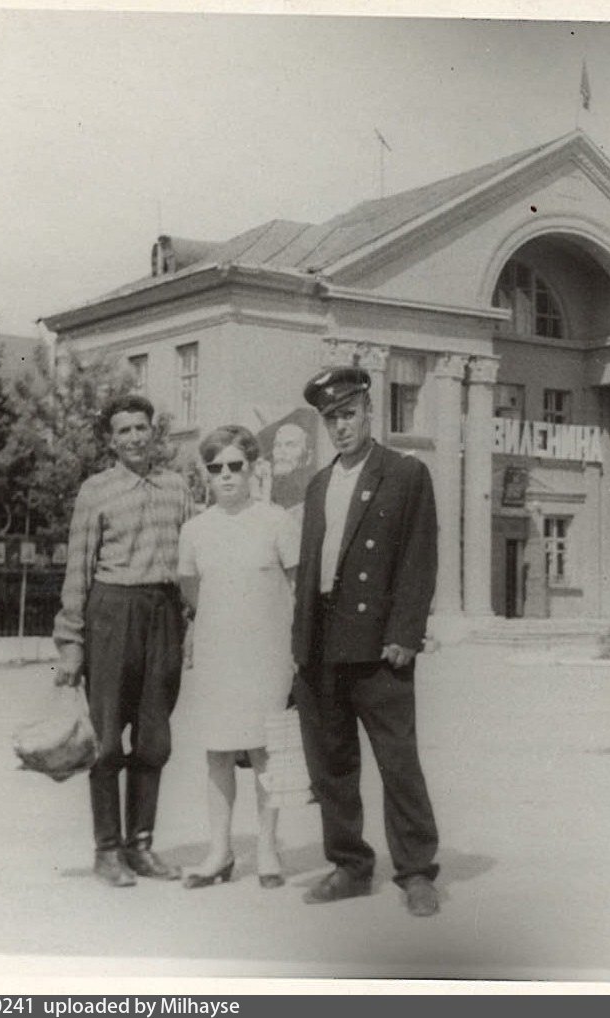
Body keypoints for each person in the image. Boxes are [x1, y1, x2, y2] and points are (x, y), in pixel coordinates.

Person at [290, 365, 442, 918]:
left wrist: (405, 634)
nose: (341, 427)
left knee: (398, 763)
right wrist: (299, 646)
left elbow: (418, 558)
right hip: (322, 641)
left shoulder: (404, 473)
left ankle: (417, 872)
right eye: (331, 419)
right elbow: (311, 569)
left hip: (379, 645)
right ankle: (350, 866)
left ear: (369, 411)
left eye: (348, 414)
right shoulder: (318, 484)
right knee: (330, 764)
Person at [52, 393, 193, 888]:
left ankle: (141, 846)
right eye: (124, 431)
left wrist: (188, 625)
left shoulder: (177, 487)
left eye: (141, 428)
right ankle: (107, 849)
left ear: (154, 433)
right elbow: (78, 568)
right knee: (108, 739)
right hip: (111, 612)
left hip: (164, 615)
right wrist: (70, 643)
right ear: (111, 441)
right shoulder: (96, 490)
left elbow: (190, 562)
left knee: (154, 738)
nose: (134, 437)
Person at [176, 425, 304, 889]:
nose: (226, 475)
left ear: (253, 467)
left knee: (266, 752)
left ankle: (268, 850)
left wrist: (295, 652)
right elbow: (193, 591)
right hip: (217, 655)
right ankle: (219, 851)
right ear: (205, 474)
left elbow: (296, 588)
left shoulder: (276, 522)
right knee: (219, 752)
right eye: (216, 468)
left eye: (236, 465)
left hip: (268, 653)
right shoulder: (194, 530)